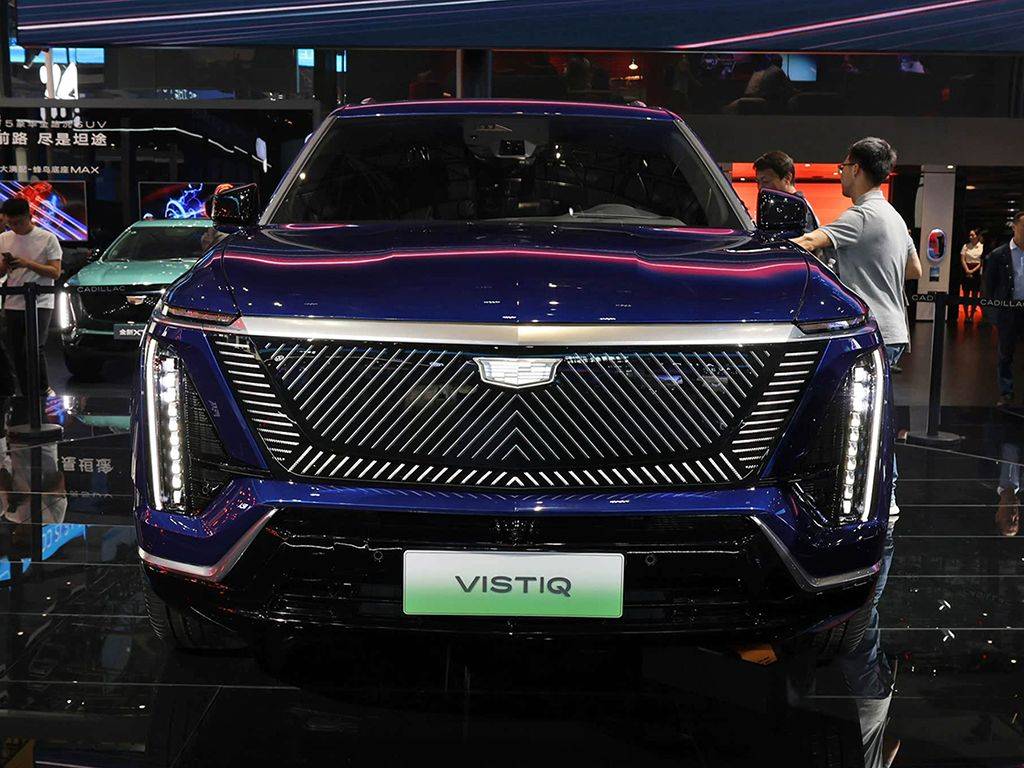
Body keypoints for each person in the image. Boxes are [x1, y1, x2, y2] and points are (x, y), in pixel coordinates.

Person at [790, 137, 922, 526]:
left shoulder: (861, 216)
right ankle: (886, 495)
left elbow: (809, 241)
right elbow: (913, 269)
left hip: (872, 330)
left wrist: (761, 254)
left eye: (843, 167)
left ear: (858, 169)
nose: (841, 173)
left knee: (864, 422)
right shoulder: (893, 216)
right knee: (874, 417)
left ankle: (885, 496)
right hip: (895, 329)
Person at [0, 196, 62, 396]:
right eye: (10, 223)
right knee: (16, 350)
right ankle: (26, 392)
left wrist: (27, 264)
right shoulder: (4, 239)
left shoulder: (47, 238)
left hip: (41, 301)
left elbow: (55, 272)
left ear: (29, 216)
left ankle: (43, 389)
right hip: (13, 301)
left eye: (18, 222)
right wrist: (5, 265)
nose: (15, 227)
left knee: (34, 347)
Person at [984, 210, 1024, 407]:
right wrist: (993, 315)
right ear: (1014, 227)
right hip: (1008, 310)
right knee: (1005, 353)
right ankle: (1006, 392)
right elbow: (989, 287)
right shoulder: (998, 255)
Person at [753, 150, 819, 232]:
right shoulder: (786, 205)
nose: (760, 187)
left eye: (765, 181)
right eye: (758, 182)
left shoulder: (796, 207)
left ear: (787, 178)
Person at [960, 229, 984, 321]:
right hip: (966, 270)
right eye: (969, 235)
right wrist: (967, 270)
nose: (970, 237)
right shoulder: (965, 246)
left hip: (976, 271)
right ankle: (966, 315)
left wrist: (973, 271)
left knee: (975, 295)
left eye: (972, 235)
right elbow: (962, 259)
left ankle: (972, 316)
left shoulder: (982, 246)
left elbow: (981, 262)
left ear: (977, 236)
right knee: (965, 295)